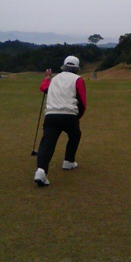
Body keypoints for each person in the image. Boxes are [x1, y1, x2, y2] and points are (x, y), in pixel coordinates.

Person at [34, 55, 87, 187]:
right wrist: (77, 117)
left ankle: (41, 171)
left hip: (51, 115)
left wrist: (47, 77)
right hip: (69, 115)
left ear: (63, 66)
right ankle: (68, 161)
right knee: (75, 135)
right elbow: (82, 102)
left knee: (47, 143)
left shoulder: (54, 79)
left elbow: (43, 88)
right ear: (77, 68)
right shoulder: (78, 79)